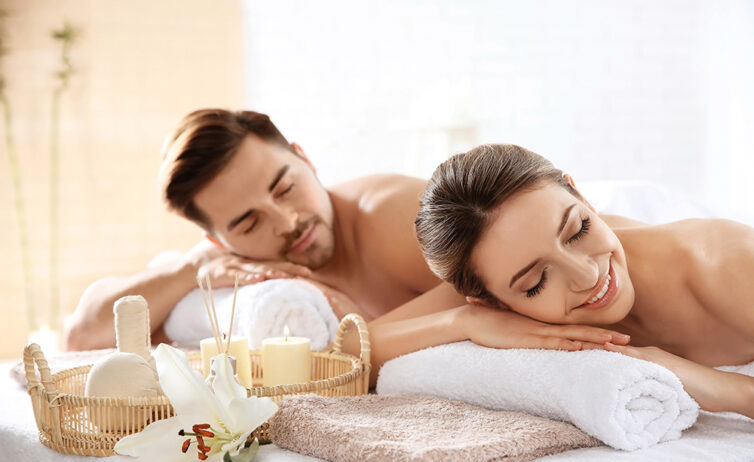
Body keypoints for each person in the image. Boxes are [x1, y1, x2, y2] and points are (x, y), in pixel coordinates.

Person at [64, 110, 630, 386]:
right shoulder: (241, 268)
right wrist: (192, 269)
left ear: (305, 156)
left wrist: (454, 321)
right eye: (249, 221)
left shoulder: (390, 219)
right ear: (219, 238)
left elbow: (541, 283)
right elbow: (81, 334)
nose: (288, 221)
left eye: (285, 185)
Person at [415, 143, 754, 418]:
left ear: (581, 197)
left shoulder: (725, 263)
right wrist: (463, 322)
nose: (587, 275)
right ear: (492, 302)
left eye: (579, 230)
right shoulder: (493, 264)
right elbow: (362, 348)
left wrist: (726, 389)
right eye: (536, 282)